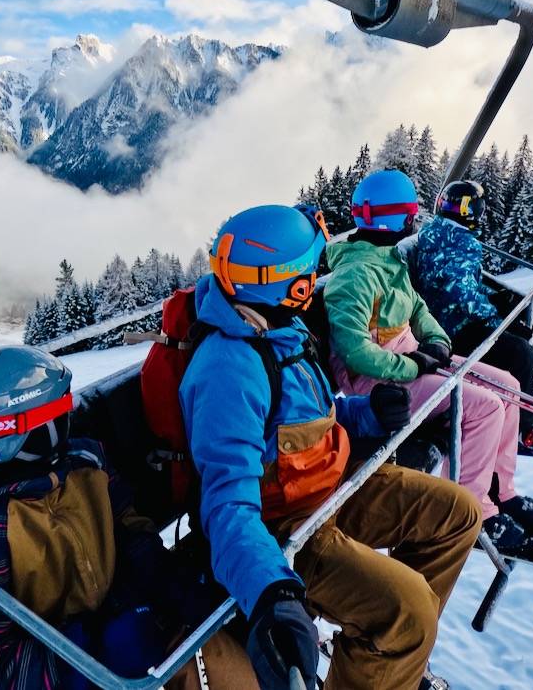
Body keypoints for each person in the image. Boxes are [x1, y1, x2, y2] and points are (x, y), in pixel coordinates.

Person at [181, 204, 482, 690]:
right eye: (309, 271)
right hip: (288, 525)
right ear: (291, 285)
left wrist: (366, 414)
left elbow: (311, 414)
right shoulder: (229, 370)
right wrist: (271, 592)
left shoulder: (281, 326)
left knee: (458, 514)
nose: (317, 278)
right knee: (409, 611)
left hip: (334, 481)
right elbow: (227, 506)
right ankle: (394, 639)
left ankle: (384, 656)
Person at [0, 345, 253, 690]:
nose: (70, 417)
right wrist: (86, 651)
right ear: (17, 433)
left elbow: (125, 523)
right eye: (58, 413)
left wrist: (163, 579)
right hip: (79, 672)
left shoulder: (82, 463)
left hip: (139, 633)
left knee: (225, 661)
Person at [324, 169, 533, 550]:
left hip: (407, 361)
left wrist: (438, 343)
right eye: (412, 215)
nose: (416, 221)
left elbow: (418, 310)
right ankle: (469, 510)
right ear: (397, 219)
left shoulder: (388, 260)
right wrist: (414, 364)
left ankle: (502, 490)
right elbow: (356, 354)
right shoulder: (356, 275)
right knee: (483, 407)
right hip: (378, 383)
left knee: (509, 387)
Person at [405, 180, 533, 439]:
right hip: (451, 330)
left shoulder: (451, 236)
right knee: (521, 352)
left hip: (460, 317)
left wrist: (498, 301)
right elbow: (458, 297)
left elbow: (465, 286)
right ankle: (524, 426)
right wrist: (498, 321)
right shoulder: (452, 242)